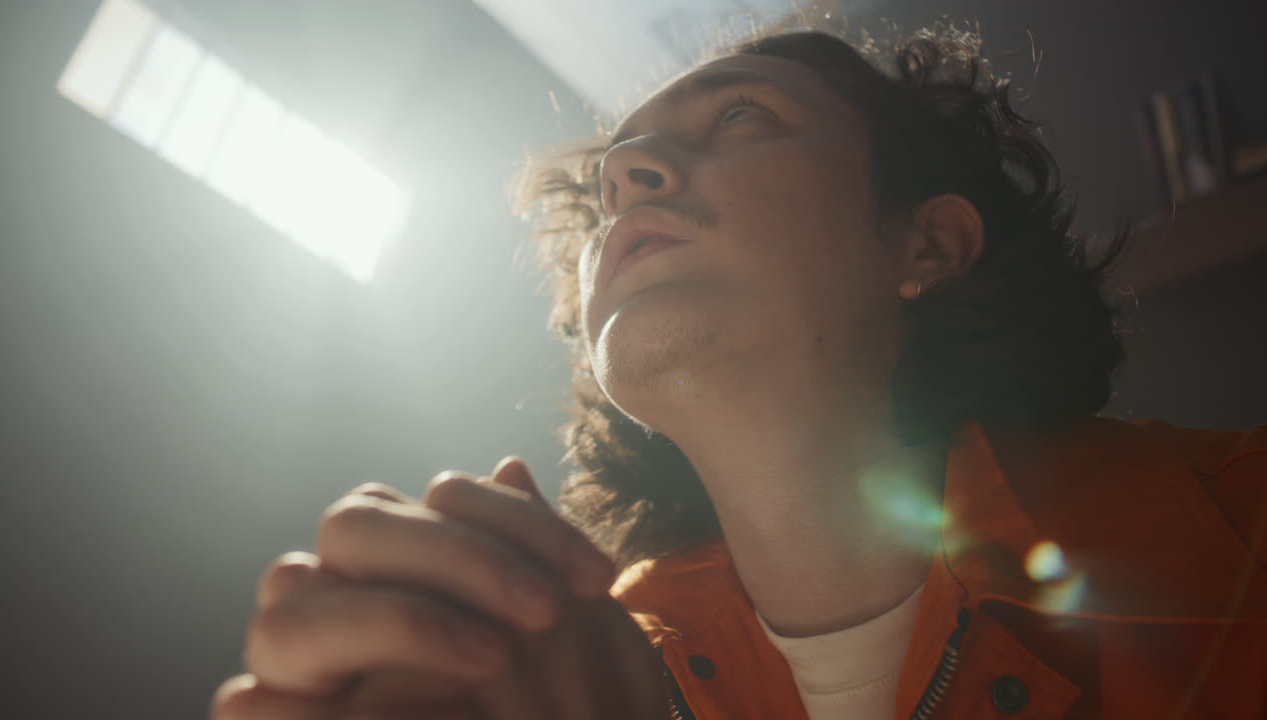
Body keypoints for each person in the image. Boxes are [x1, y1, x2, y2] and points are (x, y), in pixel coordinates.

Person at [211, 21, 1267, 720]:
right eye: (618, 173)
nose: (626, 176)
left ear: (926, 246)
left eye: (739, 116)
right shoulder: (547, 671)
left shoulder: (1240, 531)